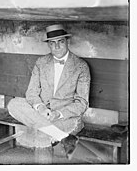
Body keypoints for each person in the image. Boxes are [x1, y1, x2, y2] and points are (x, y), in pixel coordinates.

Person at [7, 24, 91, 158]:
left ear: (67, 42)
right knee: (14, 104)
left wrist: (58, 114)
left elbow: (82, 103)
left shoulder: (81, 66)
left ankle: (54, 135)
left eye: (60, 42)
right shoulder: (41, 62)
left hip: (66, 117)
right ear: (48, 45)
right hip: (42, 113)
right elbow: (31, 92)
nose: (56, 47)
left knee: (42, 134)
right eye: (52, 43)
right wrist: (40, 108)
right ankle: (63, 137)